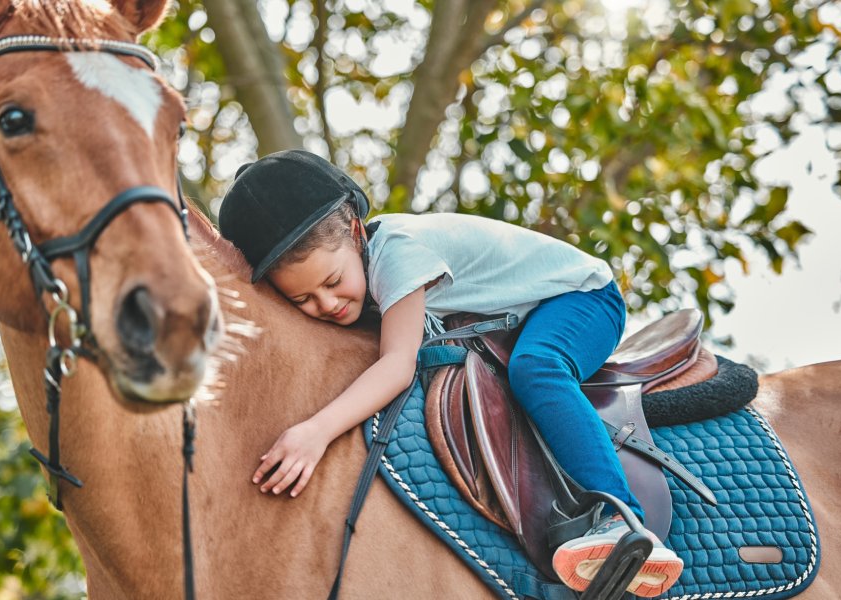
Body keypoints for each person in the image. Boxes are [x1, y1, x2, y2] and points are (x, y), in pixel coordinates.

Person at [218, 149, 683, 597]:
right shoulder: (356, 269)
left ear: (357, 231)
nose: (327, 304)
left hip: (582, 298)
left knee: (537, 368)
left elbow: (397, 366)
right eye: (303, 301)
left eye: (333, 281)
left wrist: (316, 432)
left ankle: (621, 517)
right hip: (520, 314)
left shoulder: (396, 253)